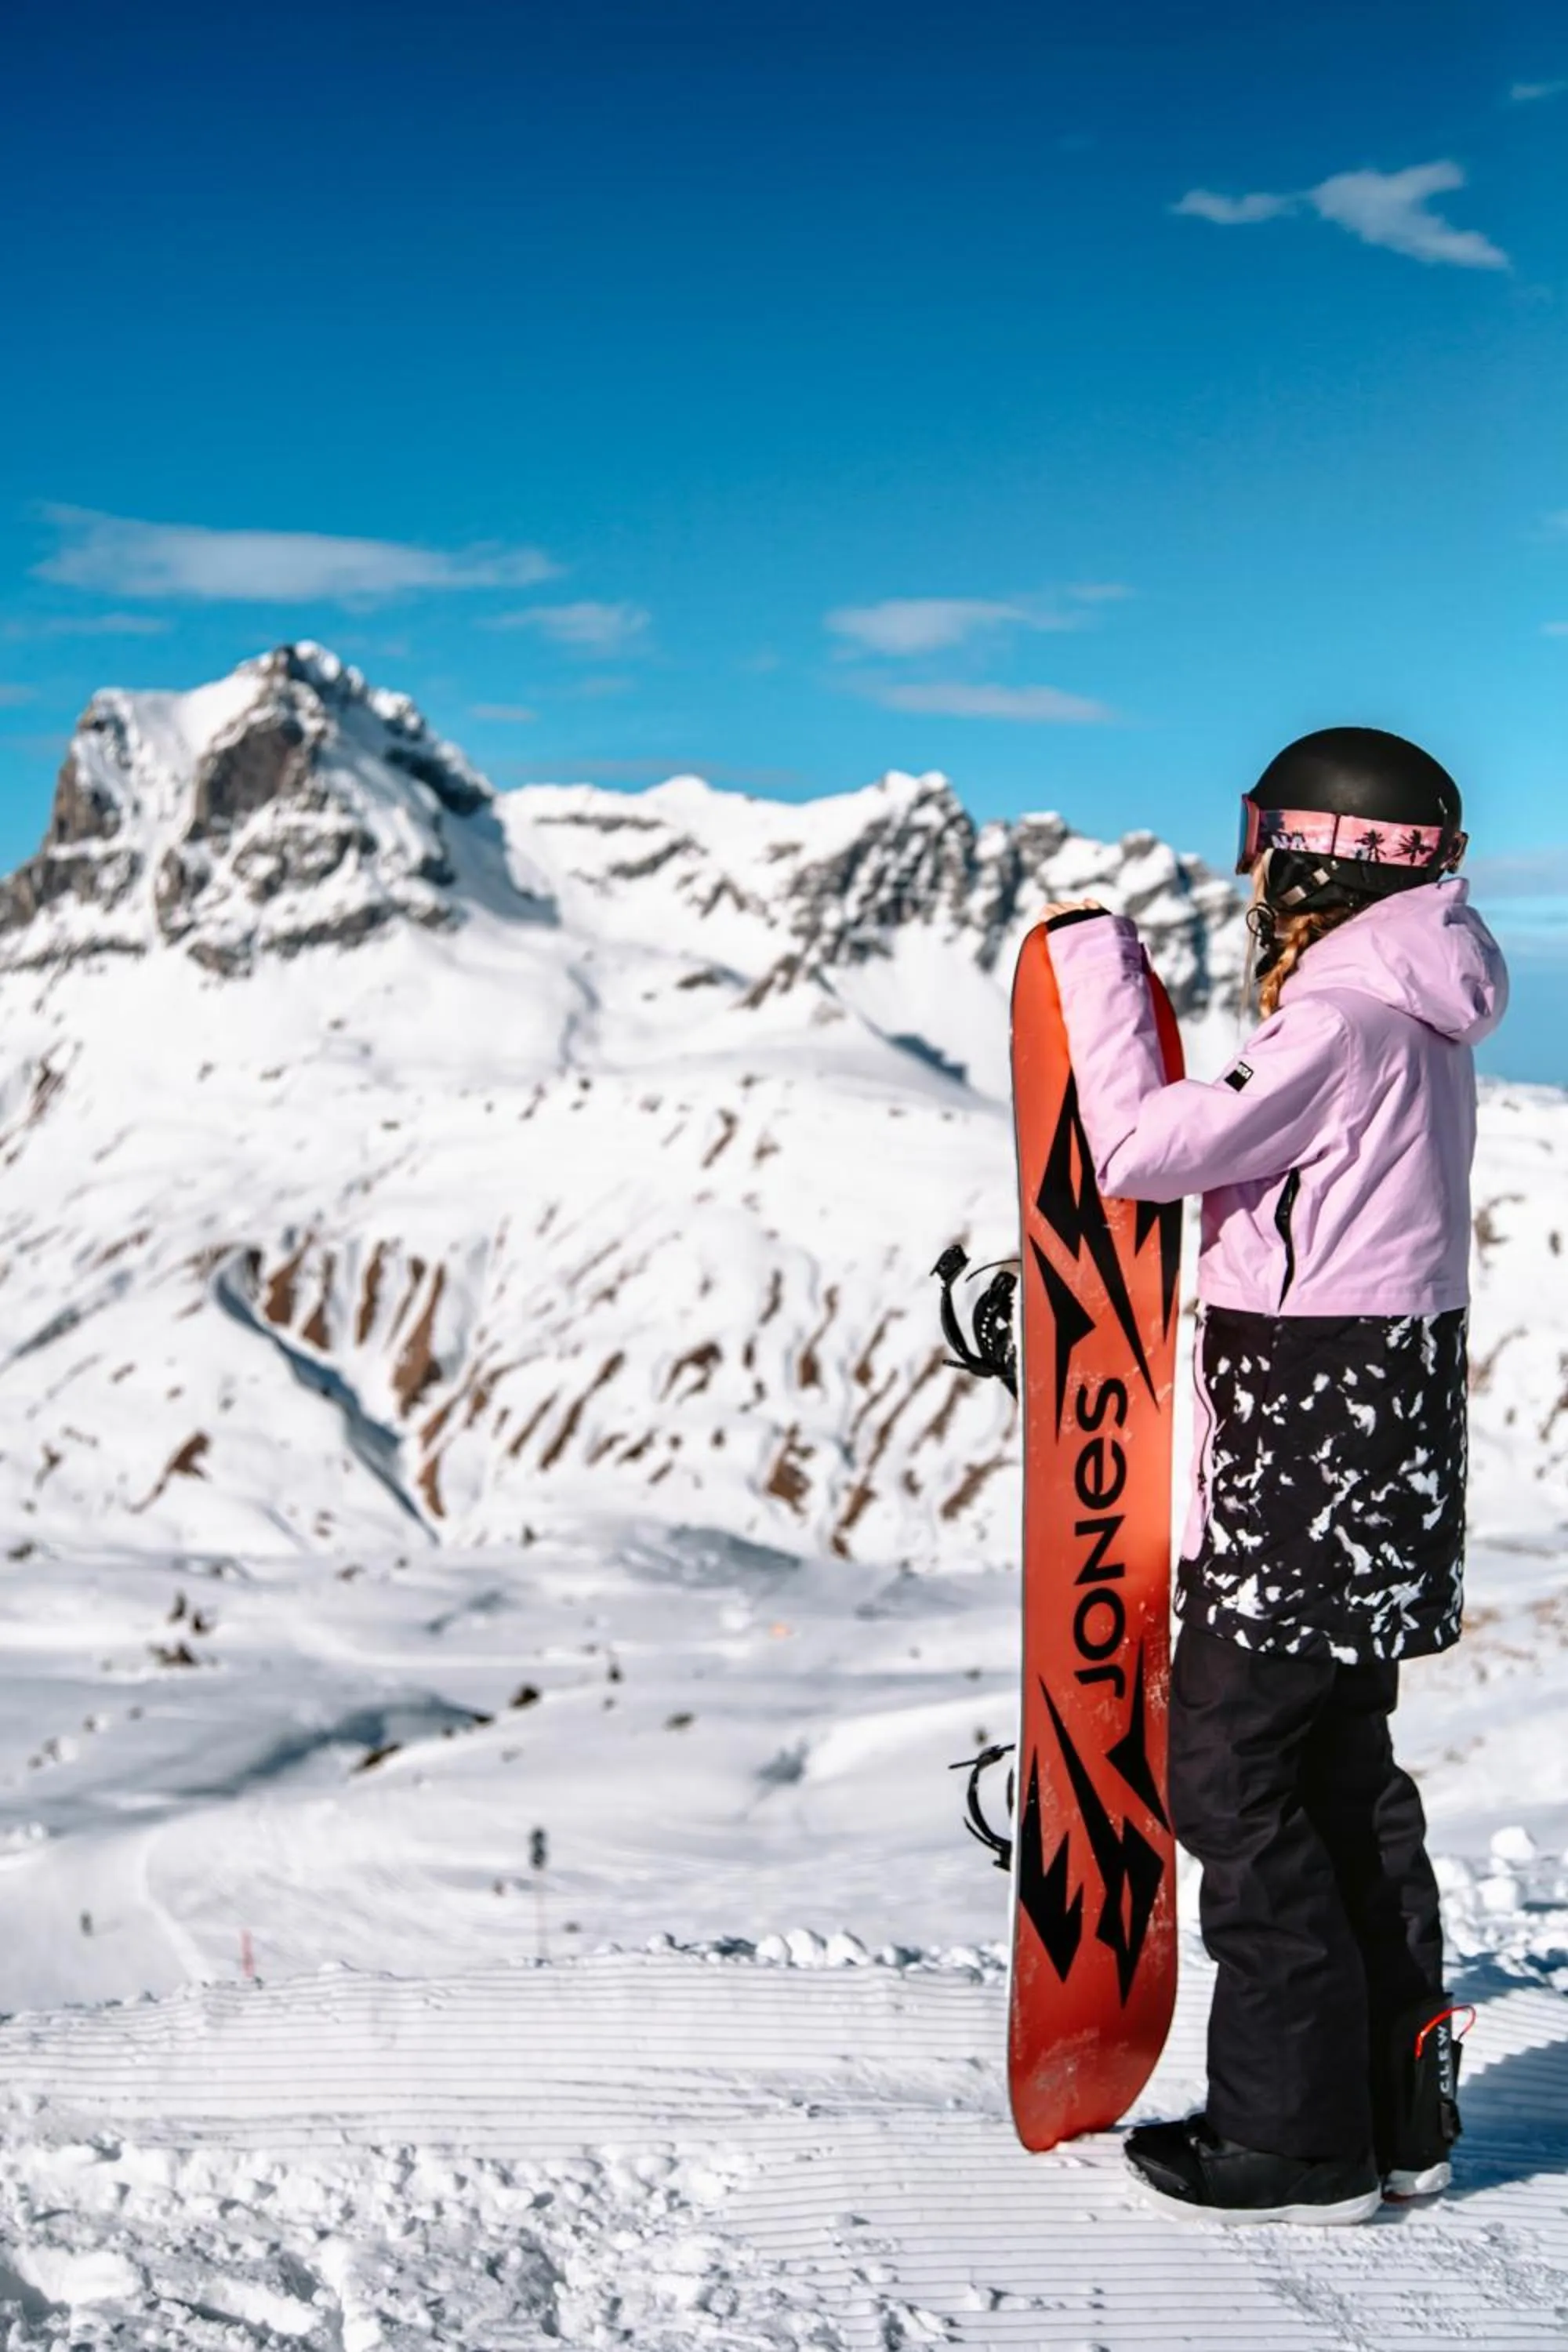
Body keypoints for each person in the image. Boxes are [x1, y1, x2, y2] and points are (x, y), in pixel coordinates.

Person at [1039, 726, 1507, 2224]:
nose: (1256, 883)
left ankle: (1294, 2143)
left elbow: (1142, 1148)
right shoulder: (1421, 1009)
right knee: (1343, 1768)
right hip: (1386, 1426)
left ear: (1323, 855)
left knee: (1234, 1779)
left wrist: (1094, 976)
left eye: (1267, 846)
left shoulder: (1344, 1022)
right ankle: (1393, 2115)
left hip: (1311, 1430)